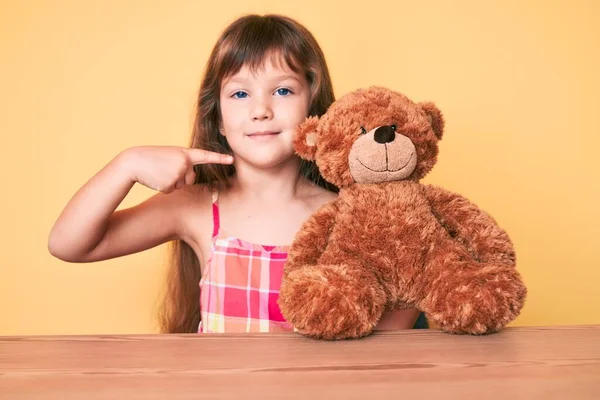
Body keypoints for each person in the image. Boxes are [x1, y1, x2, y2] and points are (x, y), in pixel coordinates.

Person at [48, 14, 426, 334]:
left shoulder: (352, 215)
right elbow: (70, 245)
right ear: (220, 121)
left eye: (282, 90)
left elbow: (400, 313)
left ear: (314, 107)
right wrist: (126, 164)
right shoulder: (194, 207)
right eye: (240, 95)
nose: (260, 110)